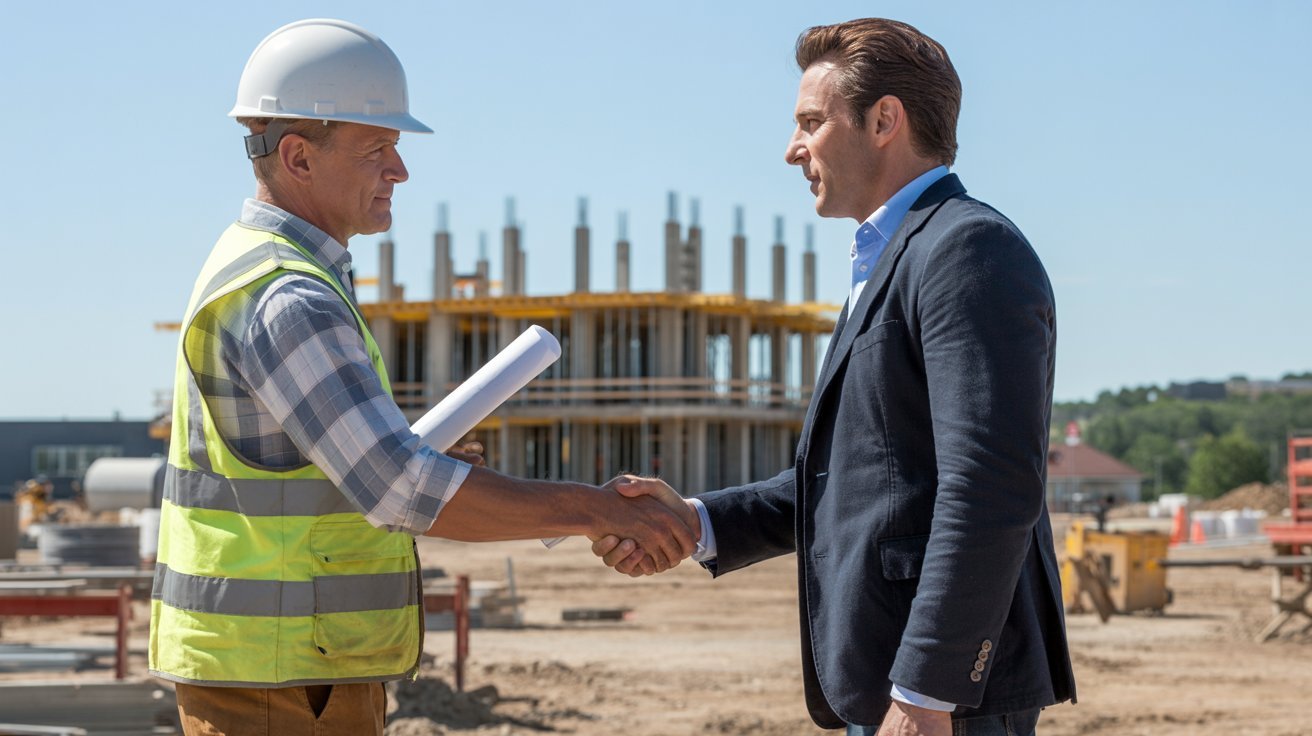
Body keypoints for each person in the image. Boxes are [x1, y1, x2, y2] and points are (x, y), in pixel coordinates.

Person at [151, 19, 693, 736]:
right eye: (378, 149)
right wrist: (598, 510)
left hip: (278, 671)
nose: (399, 172)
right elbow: (398, 488)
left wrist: (415, 460)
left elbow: (330, 479)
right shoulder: (290, 296)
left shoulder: (269, 270)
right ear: (297, 157)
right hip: (283, 682)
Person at [593, 18, 1076, 735]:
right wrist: (694, 523)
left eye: (811, 123)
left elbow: (992, 487)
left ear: (884, 121)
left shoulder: (966, 250)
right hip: (889, 687)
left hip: (944, 705)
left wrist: (926, 691)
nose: (792, 149)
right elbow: (854, 484)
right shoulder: (896, 259)